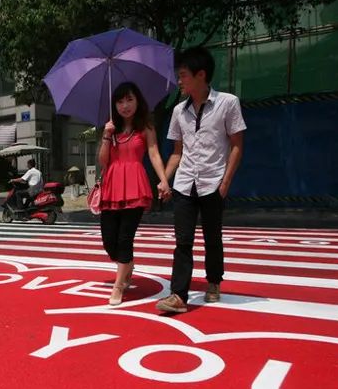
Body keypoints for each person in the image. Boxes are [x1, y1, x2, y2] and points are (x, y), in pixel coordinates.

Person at [156, 46, 246, 314]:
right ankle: (178, 295)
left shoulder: (228, 103)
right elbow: (176, 153)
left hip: (213, 182)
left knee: (212, 237)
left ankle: (214, 281)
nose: (179, 81)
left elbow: (237, 145)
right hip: (184, 183)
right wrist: (165, 179)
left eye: (183, 75)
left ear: (201, 75)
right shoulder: (178, 112)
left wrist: (226, 183)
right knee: (182, 241)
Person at [98, 81, 171, 306]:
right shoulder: (111, 128)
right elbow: (103, 161)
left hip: (135, 185)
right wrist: (106, 135)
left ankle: (119, 285)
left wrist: (164, 180)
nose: (125, 105)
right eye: (120, 101)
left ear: (138, 100)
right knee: (109, 240)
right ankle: (127, 264)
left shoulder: (145, 126)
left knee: (124, 238)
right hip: (112, 186)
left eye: (129, 99)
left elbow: (154, 153)